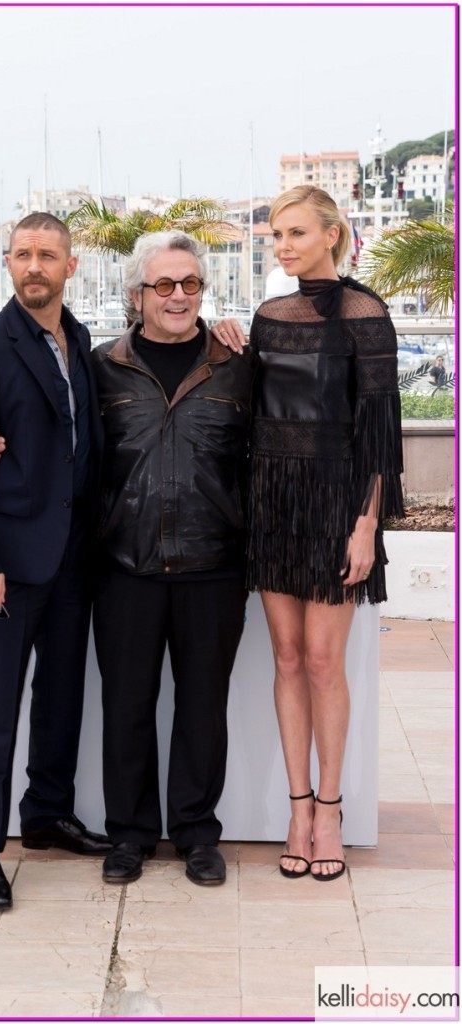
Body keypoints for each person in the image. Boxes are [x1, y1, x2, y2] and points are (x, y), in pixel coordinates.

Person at [213, 185, 403, 881]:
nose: (283, 245)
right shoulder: (268, 315)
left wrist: (364, 528)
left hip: (335, 507)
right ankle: (296, 810)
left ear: (331, 234)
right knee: (287, 660)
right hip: (271, 503)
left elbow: (377, 434)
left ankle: (330, 808)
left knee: (324, 665)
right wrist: (226, 339)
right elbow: (246, 405)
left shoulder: (365, 314)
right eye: (274, 235)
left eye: (294, 233)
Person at [0, 212, 111, 912]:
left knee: (62, 694)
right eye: (21, 255)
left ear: (71, 267)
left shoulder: (79, 339)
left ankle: (46, 813)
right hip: (8, 563)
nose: (33, 266)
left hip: (75, 555)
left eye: (47, 255)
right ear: (6, 265)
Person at [92, 231, 257, 887]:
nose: (178, 296)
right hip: (121, 566)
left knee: (201, 708)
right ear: (137, 295)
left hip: (212, 564)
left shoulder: (238, 363)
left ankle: (195, 833)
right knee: (125, 708)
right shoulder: (101, 364)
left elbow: (266, 456)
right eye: (164, 285)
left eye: (189, 283)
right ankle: (128, 835)